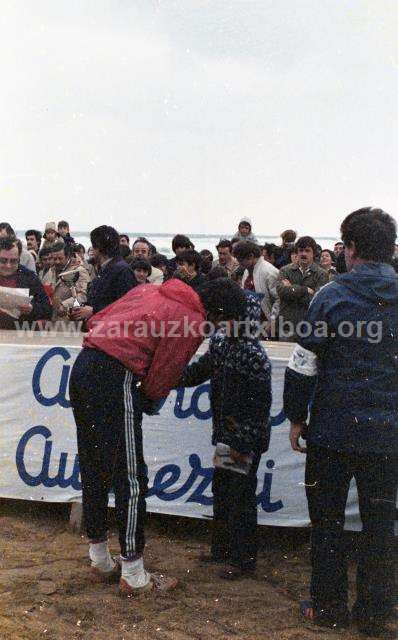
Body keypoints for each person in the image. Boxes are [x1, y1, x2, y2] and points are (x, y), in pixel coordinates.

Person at [69, 278, 246, 596]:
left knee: (94, 465)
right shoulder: (192, 319)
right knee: (131, 477)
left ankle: (100, 559)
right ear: (217, 313)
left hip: (84, 367)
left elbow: (96, 320)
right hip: (115, 375)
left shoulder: (149, 289)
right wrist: (146, 401)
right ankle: (134, 573)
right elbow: (164, 373)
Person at [283, 207, 398, 636]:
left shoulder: (328, 297)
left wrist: (296, 417)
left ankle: (329, 609)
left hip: (332, 432)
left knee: (327, 524)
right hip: (387, 435)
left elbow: (303, 364)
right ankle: (374, 611)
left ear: (349, 249)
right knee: (381, 527)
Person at [178, 294, 272, 579]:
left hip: (244, 437)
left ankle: (242, 559)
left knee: (239, 496)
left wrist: (243, 442)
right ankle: (221, 549)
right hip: (226, 434)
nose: (223, 323)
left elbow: (260, 405)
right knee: (222, 490)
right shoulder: (220, 343)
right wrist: (169, 377)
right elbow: (199, 371)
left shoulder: (254, 355)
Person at [71, 226, 136, 323]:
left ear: (99, 247)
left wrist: (94, 311)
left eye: (93, 246)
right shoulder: (105, 268)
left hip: (110, 332)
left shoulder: (122, 270)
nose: (92, 250)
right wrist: (81, 309)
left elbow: (126, 307)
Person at [276, 236, 329, 341]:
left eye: (307, 251)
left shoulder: (322, 274)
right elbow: (281, 292)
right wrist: (305, 290)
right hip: (287, 325)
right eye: (301, 250)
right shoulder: (285, 270)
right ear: (297, 253)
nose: (303, 254)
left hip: (309, 327)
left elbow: (315, 300)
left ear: (313, 253)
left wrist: (291, 289)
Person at [0, 237, 52, 329]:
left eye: (13, 261)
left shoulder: (29, 277)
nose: (8, 265)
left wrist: (32, 309)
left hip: (19, 332)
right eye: (3, 261)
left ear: (19, 258)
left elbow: (48, 310)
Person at [233, 241, 279, 331]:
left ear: (251, 256)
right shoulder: (247, 271)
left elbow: (279, 299)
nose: (239, 263)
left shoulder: (269, 272)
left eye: (240, 260)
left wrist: (272, 320)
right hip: (250, 323)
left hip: (266, 324)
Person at [43, 242, 90, 323]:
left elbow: (83, 295)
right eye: (54, 259)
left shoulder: (79, 271)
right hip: (51, 320)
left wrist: (64, 305)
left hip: (69, 322)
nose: (57, 262)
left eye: (60, 258)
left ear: (68, 256)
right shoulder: (50, 271)